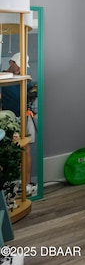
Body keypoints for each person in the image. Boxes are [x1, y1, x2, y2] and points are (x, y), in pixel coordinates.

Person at [0, 53, 36, 195]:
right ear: (11, 62)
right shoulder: (3, 78)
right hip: (8, 119)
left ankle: (27, 183)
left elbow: (32, 92)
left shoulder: (25, 79)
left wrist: (32, 96)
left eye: (22, 66)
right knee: (6, 150)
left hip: (23, 118)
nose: (20, 68)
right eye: (18, 65)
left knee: (26, 148)